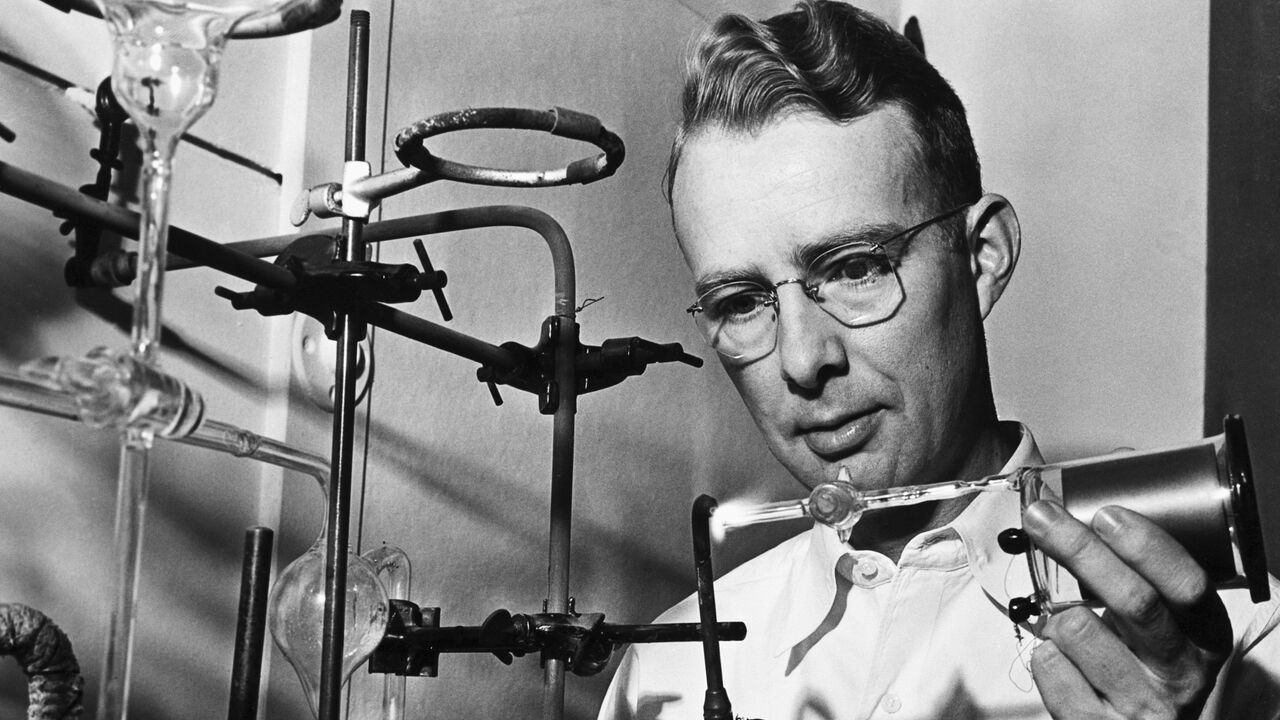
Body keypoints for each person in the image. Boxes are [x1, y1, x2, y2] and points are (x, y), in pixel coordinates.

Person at [598, 2, 1280, 719]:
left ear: (983, 257)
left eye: (857, 267)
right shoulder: (666, 670)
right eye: (740, 302)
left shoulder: (1243, 652)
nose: (803, 360)